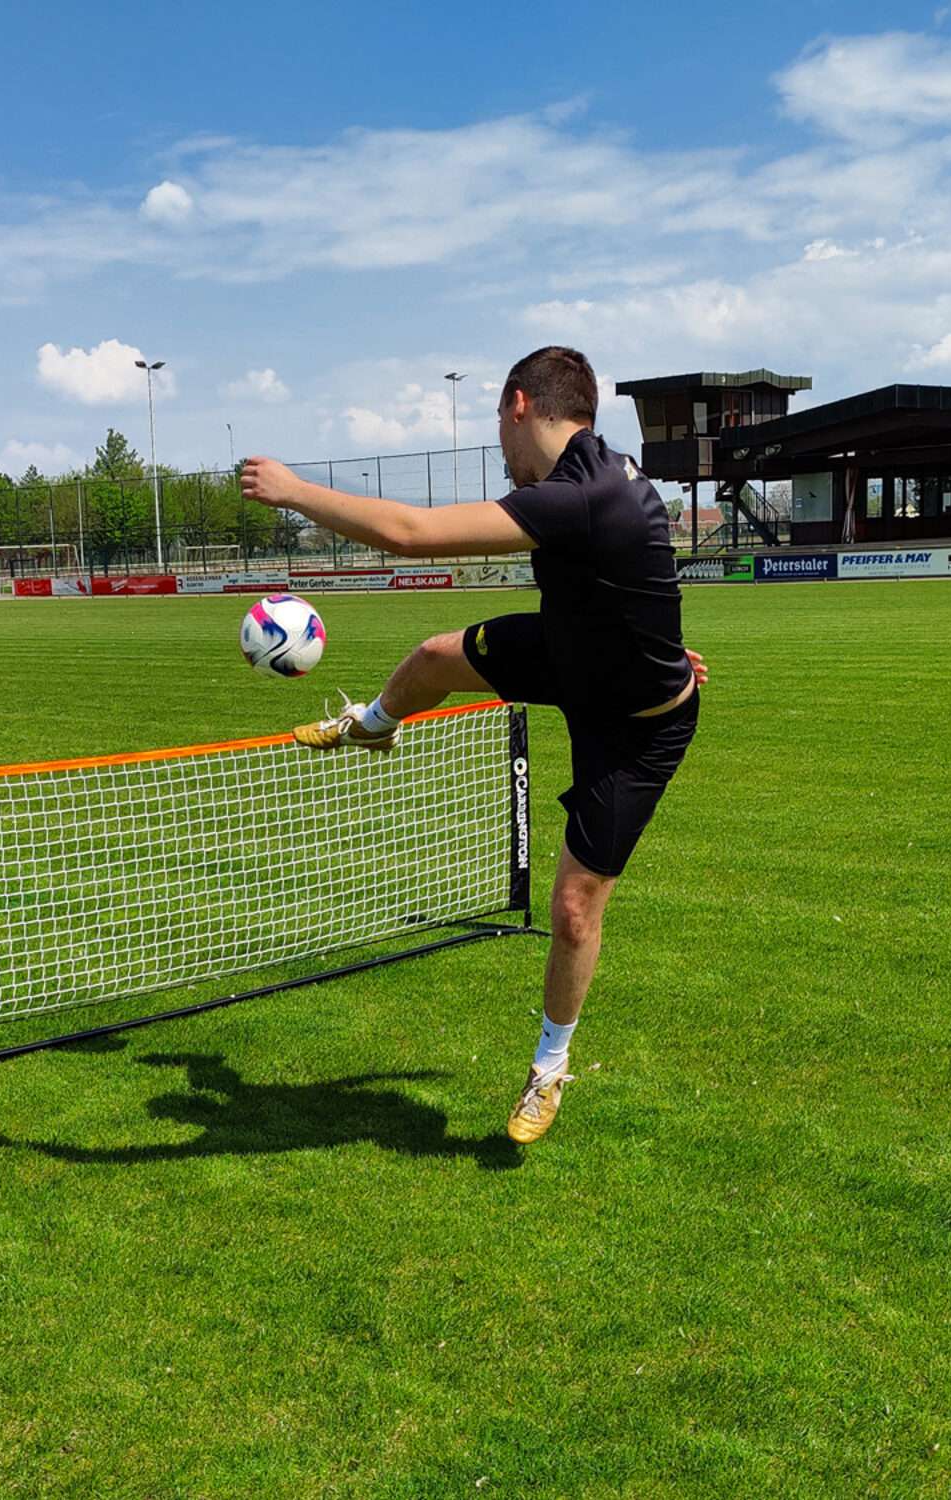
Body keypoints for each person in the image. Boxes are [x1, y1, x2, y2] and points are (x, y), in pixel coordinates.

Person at [240, 346, 706, 1145]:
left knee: (571, 908)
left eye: (497, 420)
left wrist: (292, 492)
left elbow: (410, 533)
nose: (498, 440)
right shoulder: (600, 472)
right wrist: (657, 647)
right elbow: (638, 578)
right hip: (577, 655)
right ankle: (372, 727)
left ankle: (550, 1067)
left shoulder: (583, 493)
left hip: (636, 728)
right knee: (431, 658)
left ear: (519, 405)